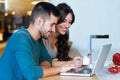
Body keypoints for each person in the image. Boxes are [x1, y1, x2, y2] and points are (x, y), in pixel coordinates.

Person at [0, 2, 76, 80]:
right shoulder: (21, 38)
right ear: (39, 21)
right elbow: (31, 74)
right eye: (52, 24)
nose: (53, 29)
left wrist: (38, 70)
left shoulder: (38, 39)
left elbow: (47, 61)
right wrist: (60, 69)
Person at [43, 3, 83, 67]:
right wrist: (70, 63)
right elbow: (43, 64)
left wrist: (74, 61)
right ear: (56, 19)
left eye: (69, 22)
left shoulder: (64, 35)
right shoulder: (44, 36)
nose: (67, 26)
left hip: (56, 73)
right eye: (64, 21)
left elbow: (62, 59)